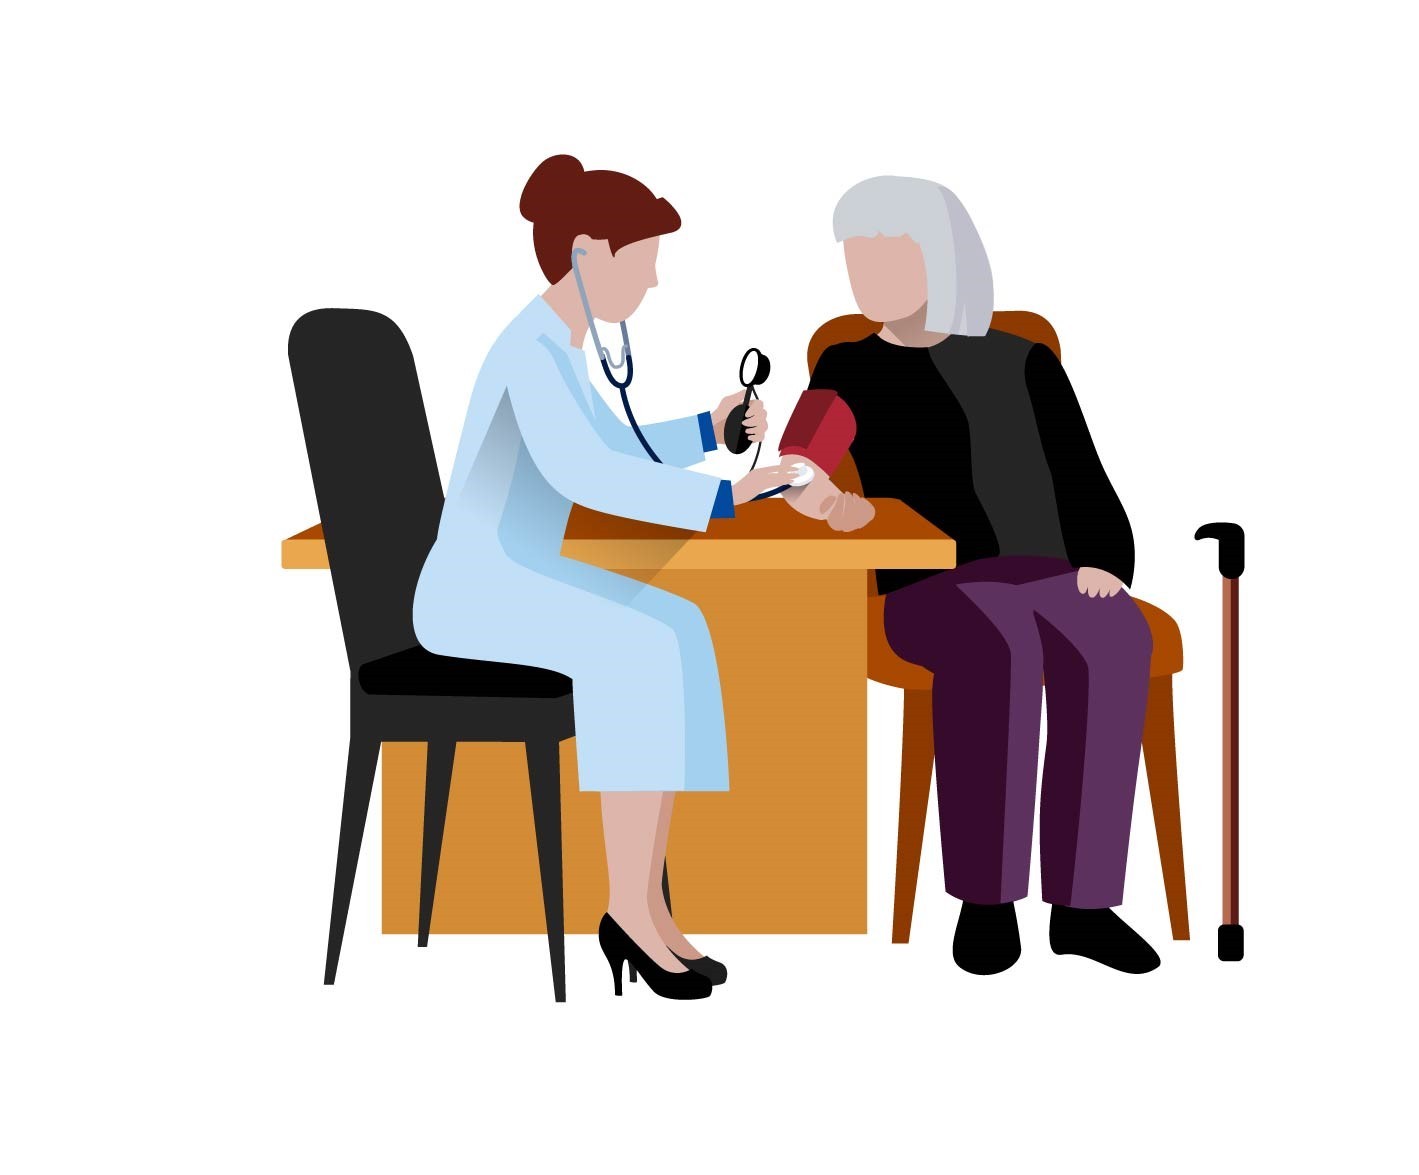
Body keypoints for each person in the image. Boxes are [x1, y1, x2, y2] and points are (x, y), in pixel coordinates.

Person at [413, 155, 793, 999]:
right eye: (644, 259)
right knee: (636, 646)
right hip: (473, 595)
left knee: (679, 625)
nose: (653, 281)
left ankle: (649, 903)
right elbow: (586, 473)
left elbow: (609, 445)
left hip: (516, 580)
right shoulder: (531, 350)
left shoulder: (558, 346)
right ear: (589, 252)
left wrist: (707, 425)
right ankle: (626, 907)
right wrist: (725, 497)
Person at [801, 175, 1161, 975]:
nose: (864, 275)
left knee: (1111, 638)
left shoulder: (1025, 360)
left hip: (1051, 572)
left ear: (941, 259)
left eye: (884, 255)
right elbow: (802, 465)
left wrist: (1104, 559)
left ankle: (1083, 905)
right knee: (996, 647)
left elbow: (1082, 475)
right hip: (928, 584)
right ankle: (985, 899)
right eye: (855, 257)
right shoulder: (845, 365)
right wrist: (830, 501)